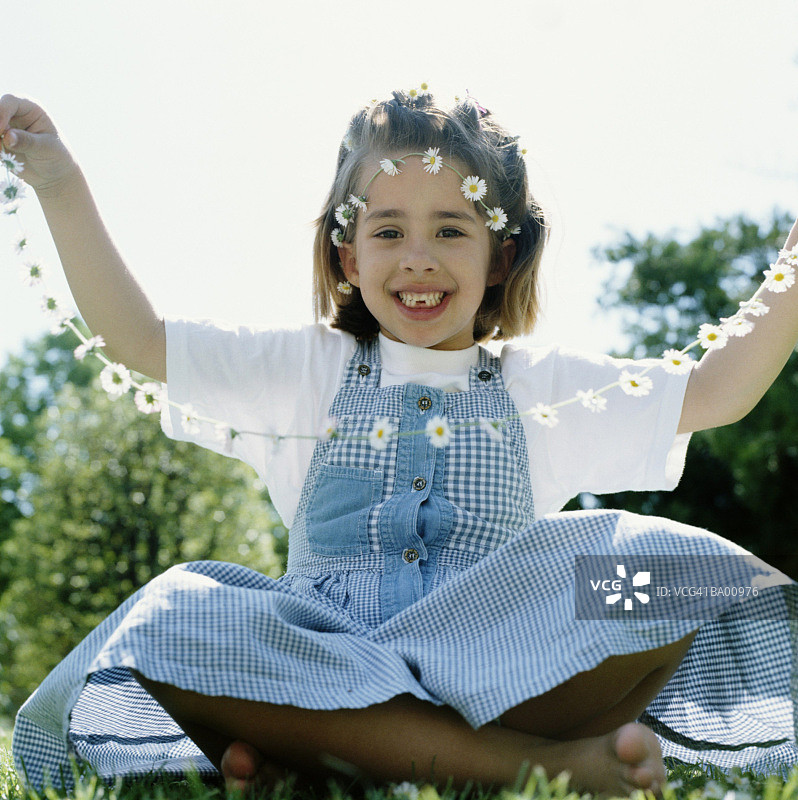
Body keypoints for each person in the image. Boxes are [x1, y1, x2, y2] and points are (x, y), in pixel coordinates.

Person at [3, 88, 798, 798]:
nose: (419, 256)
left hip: (498, 662)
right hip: (322, 663)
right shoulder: (307, 372)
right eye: (389, 230)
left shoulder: (539, 386)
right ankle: (542, 767)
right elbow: (138, 340)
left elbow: (714, 391)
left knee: (675, 575)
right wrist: (60, 184)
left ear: (502, 256)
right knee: (174, 614)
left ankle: (320, 762)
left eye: (451, 229)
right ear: (350, 257)